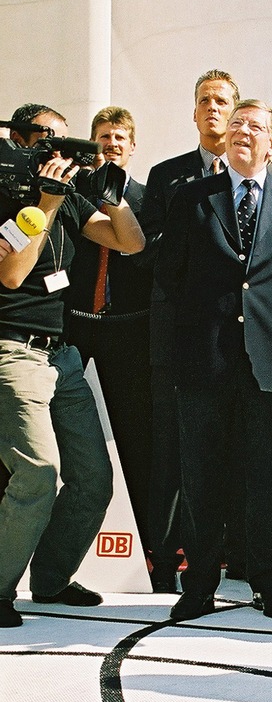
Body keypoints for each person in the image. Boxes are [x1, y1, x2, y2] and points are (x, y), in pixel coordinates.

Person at [155, 100, 272, 621]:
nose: (241, 132)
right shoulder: (191, 198)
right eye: (235, 125)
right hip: (204, 359)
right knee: (202, 476)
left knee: (265, 475)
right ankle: (200, 584)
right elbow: (170, 275)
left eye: (254, 126)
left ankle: (267, 582)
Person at [0, 103, 145, 629]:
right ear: (19, 140)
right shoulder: (8, 191)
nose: (57, 152)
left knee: (93, 477)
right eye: (45, 140)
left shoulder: (73, 195)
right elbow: (12, 275)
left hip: (60, 354)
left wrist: (112, 193)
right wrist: (45, 201)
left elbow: (130, 241)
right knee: (38, 472)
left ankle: (52, 578)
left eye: (65, 142)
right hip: (12, 349)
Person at [140, 68, 239, 592]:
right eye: (205, 100)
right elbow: (153, 256)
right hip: (179, 336)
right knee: (172, 454)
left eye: (222, 100)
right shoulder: (167, 176)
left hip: (235, 340)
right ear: (194, 112)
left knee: (229, 452)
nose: (213, 108)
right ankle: (164, 561)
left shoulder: (258, 182)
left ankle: (233, 555)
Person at [64, 106, 153, 555]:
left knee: (133, 435)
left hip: (126, 331)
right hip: (75, 326)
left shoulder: (147, 197)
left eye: (119, 137)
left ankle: (147, 546)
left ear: (132, 145)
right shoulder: (69, 193)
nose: (111, 143)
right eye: (103, 136)